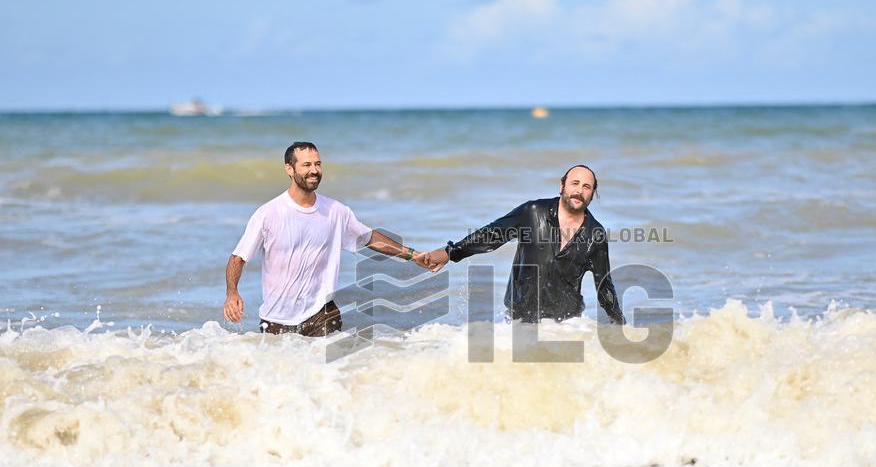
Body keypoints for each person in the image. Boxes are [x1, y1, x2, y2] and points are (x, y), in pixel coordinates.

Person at [223, 141, 430, 336]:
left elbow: (369, 238)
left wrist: (412, 255)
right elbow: (238, 258)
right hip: (277, 318)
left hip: (322, 314)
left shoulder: (336, 211)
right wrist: (232, 293)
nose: (314, 170)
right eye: (306, 165)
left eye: (318, 164)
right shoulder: (268, 214)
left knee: (330, 370)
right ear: (289, 169)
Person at [425, 165, 626, 324]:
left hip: (566, 326)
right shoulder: (532, 212)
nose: (579, 191)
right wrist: (450, 253)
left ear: (592, 194)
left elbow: (604, 288)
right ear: (562, 186)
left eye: (586, 187)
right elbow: (491, 235)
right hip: (519, 321)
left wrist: (620, 328)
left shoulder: (595, 235)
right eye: (575, 183)